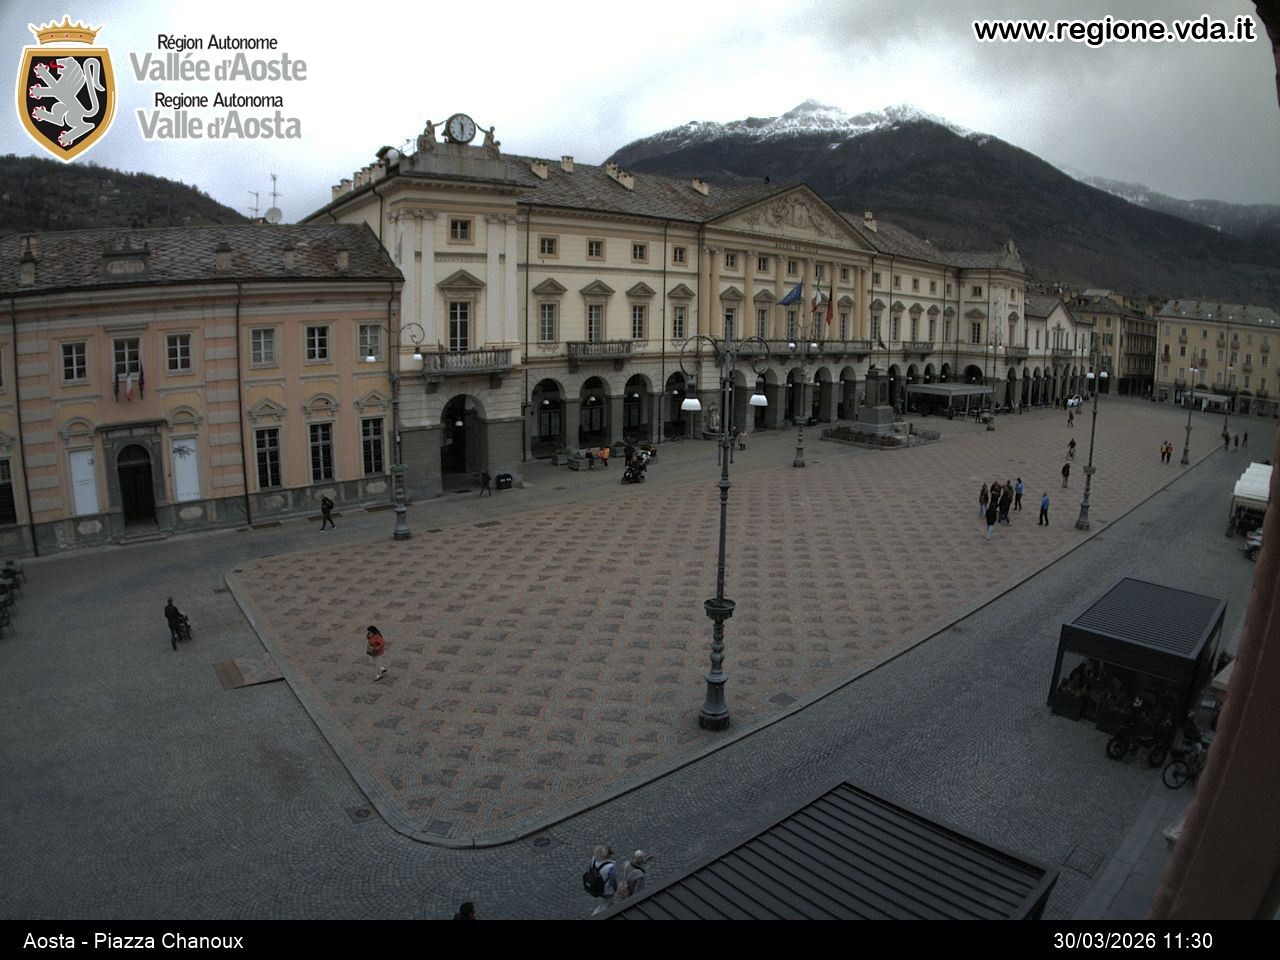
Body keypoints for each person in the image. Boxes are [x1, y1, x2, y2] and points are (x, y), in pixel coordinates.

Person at [584, 845, 618, 915]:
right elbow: (613, 880)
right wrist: (615, 888)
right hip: (607, 890)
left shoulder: (593, 859)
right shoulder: (610, 866)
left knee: (605, 901)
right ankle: (596, 915)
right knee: (607, 902)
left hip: (596, 887)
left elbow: (590, 869)